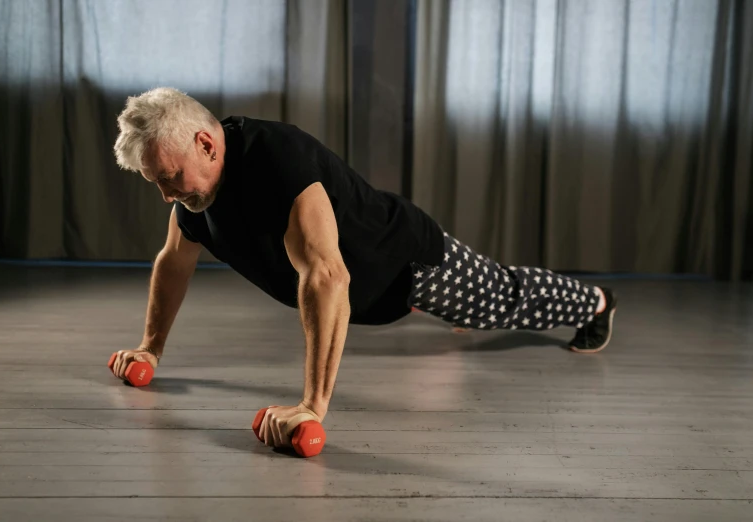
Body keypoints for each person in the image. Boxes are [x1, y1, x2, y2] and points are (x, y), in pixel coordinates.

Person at [109, 87, 617, 450]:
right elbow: (173, 261)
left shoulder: (279, 162)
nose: (167, 196)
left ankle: (596, 303)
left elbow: (329, 277)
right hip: (370, 294)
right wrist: (150, 346)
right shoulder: (194, 201)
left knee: (501, 301)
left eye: (170, 178)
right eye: (156, 183)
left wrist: (312, 406)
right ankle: (467, 315)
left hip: (406, 265)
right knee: (476, 310)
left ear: (206, 144)